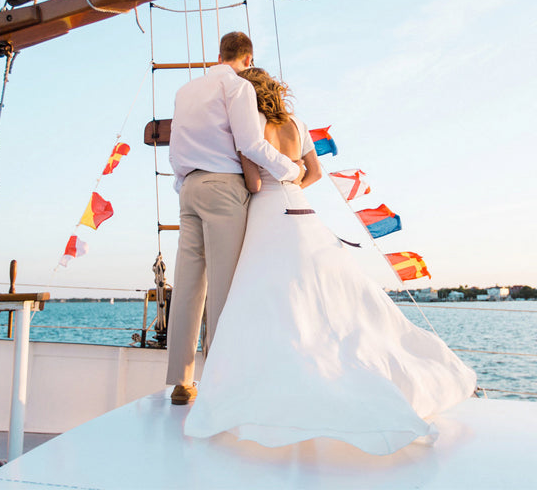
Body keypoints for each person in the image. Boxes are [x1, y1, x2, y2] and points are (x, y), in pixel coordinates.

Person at [183, 68, 477, 455]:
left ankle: (276, 379)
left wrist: (264, 185)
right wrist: (292, 184)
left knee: (268, 295)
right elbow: (316, 172)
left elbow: (253, 183)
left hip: (267, 212)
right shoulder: (298, 124)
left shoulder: (250, 126)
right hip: (303, 210)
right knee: (322, 290)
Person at [166, 33, 305, 406]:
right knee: (225, 287)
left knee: (187, 286)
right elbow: (250, 144)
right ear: (248, 59)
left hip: (188, 187)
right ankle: (220, 380)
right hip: (223, 187)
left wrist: (182, 183)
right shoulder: (238, 87)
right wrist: (291, 171)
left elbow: (175, 146)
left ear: (219, 55)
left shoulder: (185, 90)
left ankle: (181, 381)